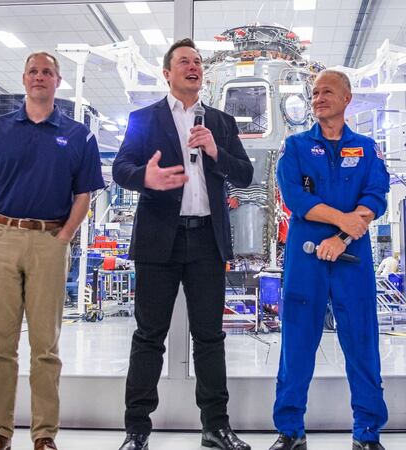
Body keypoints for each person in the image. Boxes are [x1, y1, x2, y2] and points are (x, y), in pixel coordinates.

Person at [0, 52, 105, 450]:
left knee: (46, 347)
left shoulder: (78, 136)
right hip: (0, 239)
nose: (40, 77)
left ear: (58, 82)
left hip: (49, 241)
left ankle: (44, 436)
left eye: (48, 72)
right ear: (24, 79)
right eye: (34, 71)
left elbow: (83, 195)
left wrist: (64, 238)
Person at [112, 38, 254, 450]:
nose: (193, 66)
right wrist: (145, 178)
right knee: (148, 337)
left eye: (197, 61)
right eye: (184, 62)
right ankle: (136, 430)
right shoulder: (144, 119)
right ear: (167, 73)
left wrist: (215, 152)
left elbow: (244, 174)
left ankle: (216, 427)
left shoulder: (222, 123)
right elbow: (121, 167)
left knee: (210, 338)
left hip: (207, 243)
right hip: (160, 240)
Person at [271, 69, 390, 450]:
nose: (318, 97)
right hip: (306, 261)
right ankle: (290, 432)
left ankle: (367, 433)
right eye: (315, 92)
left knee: (362, 343)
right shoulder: (295, 147)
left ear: (346, 99)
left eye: (327, 92)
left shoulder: (368, 149)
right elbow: (296, 200)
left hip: (352, 259)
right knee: (297, 344)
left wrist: (341, 238)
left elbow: (376, 197)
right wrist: (343, 221)